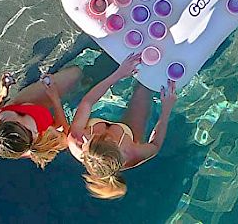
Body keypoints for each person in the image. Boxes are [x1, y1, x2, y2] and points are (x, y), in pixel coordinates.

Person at [67, 52, 177, 200]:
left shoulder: (77, 139)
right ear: (116, 145)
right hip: (129, 131)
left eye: (93, 138)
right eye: (100, 137)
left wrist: (118, 74)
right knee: (146, 86)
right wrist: (166, 109)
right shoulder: (131, 153)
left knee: (100, 75)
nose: (86, 138)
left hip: (100, 119)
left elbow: (87, 102)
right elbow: (155, 145)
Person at [0, 67, 82, 168]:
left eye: (13, 121)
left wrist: (0, 98)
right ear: (34, 139)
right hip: (41, 113)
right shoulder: (41, 143)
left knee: (72, 73)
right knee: (75, 73)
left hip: (20, 103)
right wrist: (55, 99)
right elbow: (65, 134)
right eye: (28, 129)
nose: (19, 121)